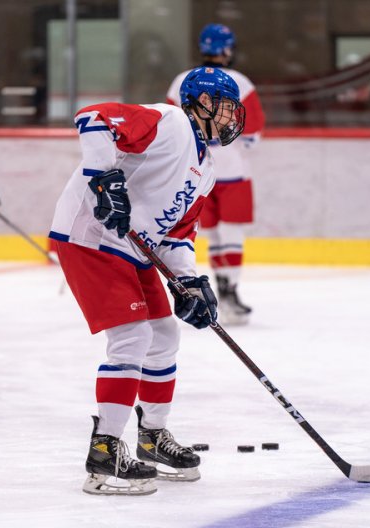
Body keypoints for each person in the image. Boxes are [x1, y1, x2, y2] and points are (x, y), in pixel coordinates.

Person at [49, 66, 245, 495]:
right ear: (203, 102)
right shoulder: (170, 122)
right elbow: (94, 118)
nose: (232, 118)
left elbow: (177, 234)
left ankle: (152, 436)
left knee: (163, 336)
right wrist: (102, 178)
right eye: (227, 107)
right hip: (90, 237)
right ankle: (104, 452)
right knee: (132, 337)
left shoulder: (205, 167)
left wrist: (191, 282)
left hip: (134, 249)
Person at [167, 23, 266, 325]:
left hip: (196, 174)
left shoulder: (181, 81)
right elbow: (253, 132)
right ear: (226, 49)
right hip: (234, 171)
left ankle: (219, 285)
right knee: (232, 233)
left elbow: (172, 127)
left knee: (209, 234)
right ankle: (229, 288)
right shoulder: (241, 82)